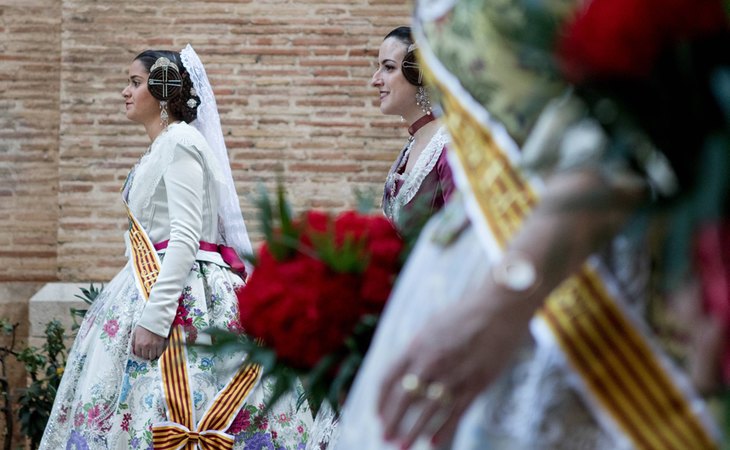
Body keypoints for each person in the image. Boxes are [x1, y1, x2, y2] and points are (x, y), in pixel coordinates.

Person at [335, 0, 727, 449]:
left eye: (387, 67)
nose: (376, 79)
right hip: (474, 284)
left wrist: (501, 300)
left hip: (599, 295)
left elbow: (638, 129)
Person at [40, 45, 311, 449]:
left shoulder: (180, 141)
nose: (125, 92)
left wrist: (156, 318)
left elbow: (185, 234)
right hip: (152, 282)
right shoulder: (162, 146)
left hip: (180, 294)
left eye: (135, 82)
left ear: (164, 88)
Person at [374, 26, 455, 235]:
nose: (376, 79)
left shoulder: (449, 148)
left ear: (418, 72)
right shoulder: (412, 148)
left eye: (389, 67)